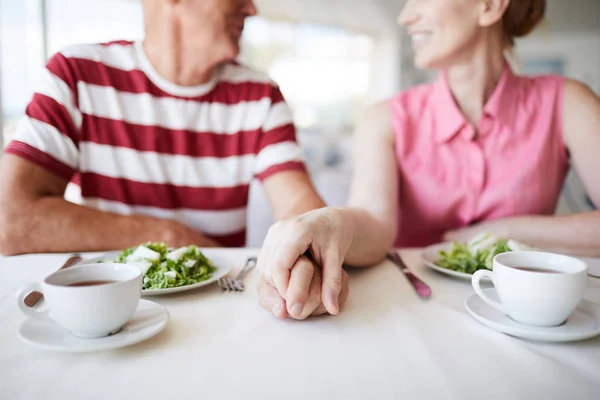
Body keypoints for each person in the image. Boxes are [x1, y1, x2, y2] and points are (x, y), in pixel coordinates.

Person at [0, 0, 349, 319]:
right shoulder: (75, 76)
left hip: (219, 314)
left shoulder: (260, 95)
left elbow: (302, 213)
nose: (252, 9)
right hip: (112, 313)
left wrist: (307, 259)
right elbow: (9, 220)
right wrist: (166, 234)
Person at [256, 0, 600, 316]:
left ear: (490, 6)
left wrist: (501, 230)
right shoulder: (384, 119)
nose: (406, 16)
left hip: (526, 312)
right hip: (410, 310)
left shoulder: (569, 102)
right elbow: (375, 224)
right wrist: (333, 221)